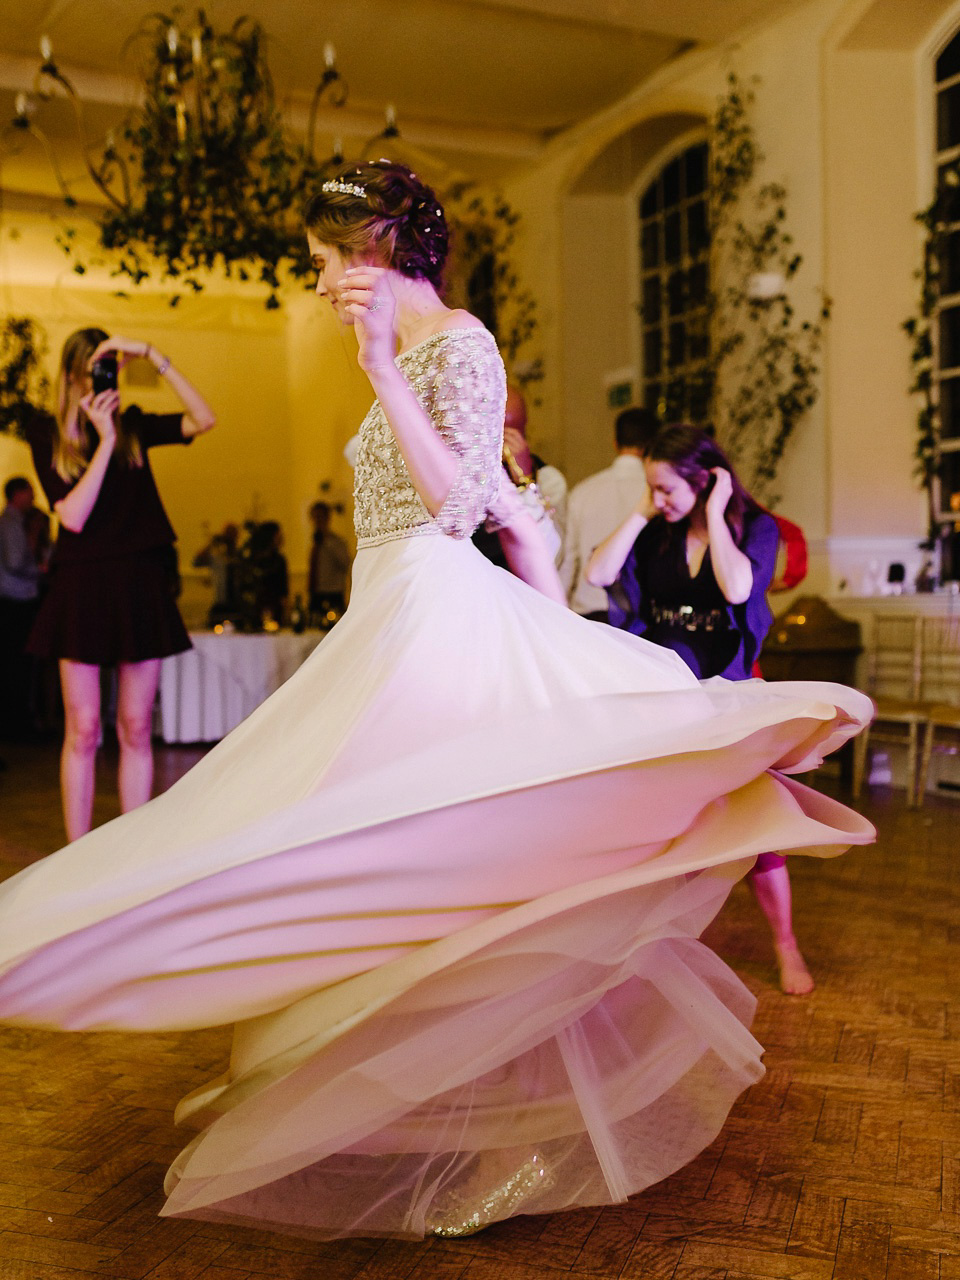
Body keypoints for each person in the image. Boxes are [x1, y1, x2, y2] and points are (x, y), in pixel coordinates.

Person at [0, 164, 873, 1242]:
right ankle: (397, 1084)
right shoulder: (402, 356)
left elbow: (457, 504)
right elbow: (485, 505)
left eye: (325, 262)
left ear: (372, 248)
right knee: (370, 848)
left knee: (430, 849)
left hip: (432, 607)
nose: (319, 283)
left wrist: (381, 369)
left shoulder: (456, 341)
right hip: (386, 609)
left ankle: (478, 1101)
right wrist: (383, 377)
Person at [587, 425, 818, 995]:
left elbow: (739, 590)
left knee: (754, 820)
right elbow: (596, 574)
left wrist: (714, 513)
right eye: (652, 488)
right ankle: (650, 950)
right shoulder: (655, 531)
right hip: (664, 692)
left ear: (703, 481)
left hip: (728, 691)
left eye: (666, 489)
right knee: (659, 824)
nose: (659, 499)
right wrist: (643, 511)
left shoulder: (754, 529)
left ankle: (786, 945)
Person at [23, 328, 216, 840]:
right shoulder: (47, 434)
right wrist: (103, 441)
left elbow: (204, 420)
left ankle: (130, 852)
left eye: (111, 369)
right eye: (94, 371)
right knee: (83, 728)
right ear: (71, 376)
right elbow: (75, 516)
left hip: (138, 581)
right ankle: (77, 852)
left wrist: (156, 355)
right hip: (81, 585)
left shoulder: (133, 426)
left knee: (134, 727)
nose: (106, 381)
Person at [559, 406, 660, 621]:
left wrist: (557, 609)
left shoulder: (582, 491)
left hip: (587, 610)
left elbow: (570, 560)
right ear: (653, 445)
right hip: (638, 613)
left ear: (615, 443)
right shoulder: (659, 493)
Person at [0, 476, 42, 739]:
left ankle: (16, 723)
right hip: (15, 601)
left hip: (14, 600)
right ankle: (16, 725)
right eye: (29, 492)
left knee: (16, 665)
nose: (34, 497)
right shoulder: (12, 522)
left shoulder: (12, 522)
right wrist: (38, 570)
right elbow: (15, 562)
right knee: (17, 665)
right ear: (17, 494)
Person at [308, 500, 351, 619]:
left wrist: (327, 542)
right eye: (314, 517)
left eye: (320, 517)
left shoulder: (336, 542)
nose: (317, 521)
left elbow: (345, 563)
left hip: (333, 593)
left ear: (327, 518)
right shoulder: (314, 541)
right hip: (316, 593)